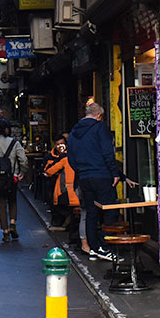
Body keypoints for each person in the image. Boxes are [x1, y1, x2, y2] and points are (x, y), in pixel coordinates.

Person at [66, 102, 119, 262]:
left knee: (91, 212)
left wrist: (81, 171)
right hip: (101, 175)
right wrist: (114, 172)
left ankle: (93, 248)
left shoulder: (74, 131)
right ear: (99, 116)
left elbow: (71, 158)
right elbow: (107, 152)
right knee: (111, 209)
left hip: (84, 177)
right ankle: (104, 245)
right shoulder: (99, 128)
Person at [0, 118, 26, 243]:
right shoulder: (14, 143)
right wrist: (22, 172)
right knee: (12, 200)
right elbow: (23, 160)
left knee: (1, 204)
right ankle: (12, 223)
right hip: (11, 177)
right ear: (7, 129)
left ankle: (5, 231)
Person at [45, 138, 85, 254]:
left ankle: (74, 237)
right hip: (84, 192)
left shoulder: (65, 159)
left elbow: (49, 171)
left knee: (71, 214)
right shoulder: (83, 156)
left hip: (69, 194)